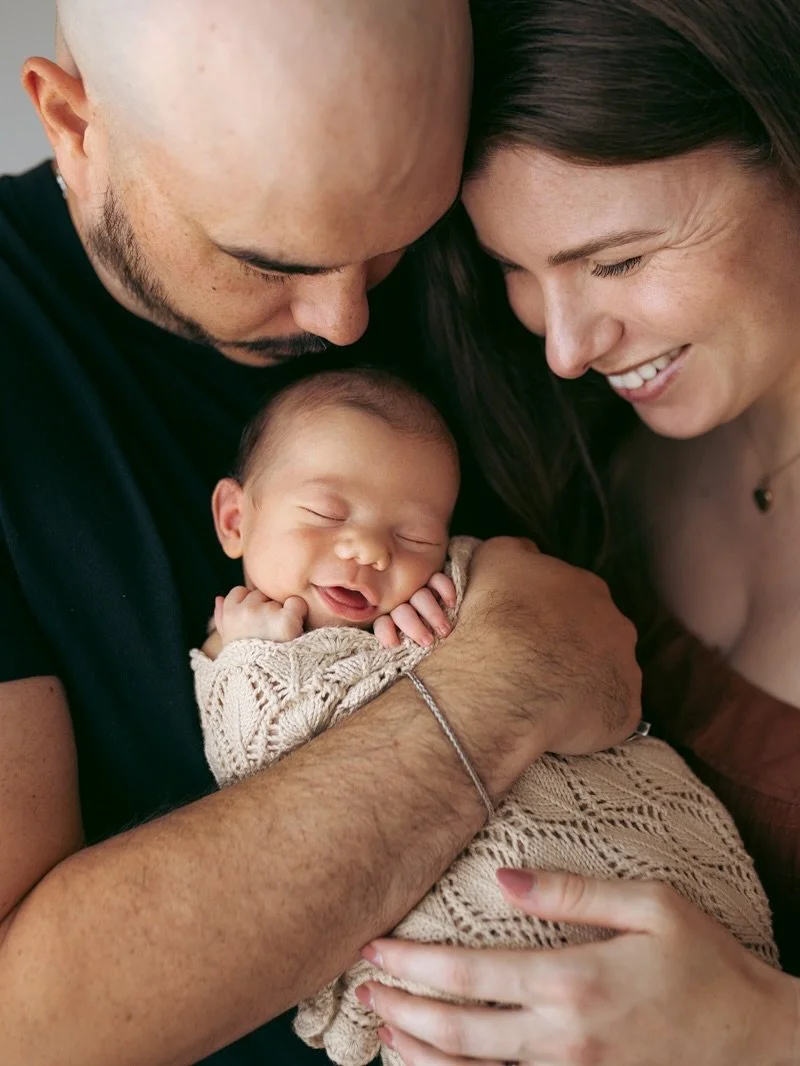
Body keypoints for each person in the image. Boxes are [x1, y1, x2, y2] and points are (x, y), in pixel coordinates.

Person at [0, 2, 642, 1064]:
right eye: (267, 261)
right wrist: (505, 682)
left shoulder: (505, 215)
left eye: (395, 241)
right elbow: (27, 1023)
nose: (346, 320)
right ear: (72, 121)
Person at [355, 2, 800, 1064]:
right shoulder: (578, 448)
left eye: (617, 262)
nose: (563, 347)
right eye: (515, 268)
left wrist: (765, 1030)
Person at [193, 369, 775, 1066]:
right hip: (475, 980)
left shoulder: (449, 597)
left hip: (647, 903)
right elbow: (259, 781)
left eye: (412, 536)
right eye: (325, 513)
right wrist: (245, 655)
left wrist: (461, 595)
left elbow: (559, 642)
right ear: (235, 520)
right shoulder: (238, 658)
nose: (371, 551)